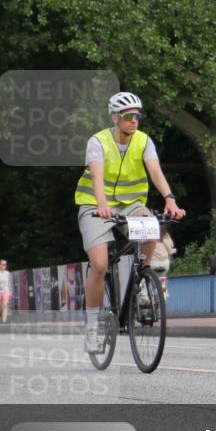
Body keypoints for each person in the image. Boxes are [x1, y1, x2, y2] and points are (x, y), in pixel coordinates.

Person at [75, 91, 185, 353]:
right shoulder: (98, 141)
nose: (134, 121)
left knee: (152, 228)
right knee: (100, 265)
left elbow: (155, 171)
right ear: (115, 118)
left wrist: (170, 199)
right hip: (94, 205)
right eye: (128, 116)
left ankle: (142, 279)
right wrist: (102, 204)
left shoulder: (143, 141)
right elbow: (97, 176)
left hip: (131, 204)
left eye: (137, 116)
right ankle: (92, 327)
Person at [149, 230, 177, 301]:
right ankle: (163, 293)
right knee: (161, 277)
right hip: (164, 263)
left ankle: (147, 300)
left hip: (153, 263)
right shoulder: (165, 236)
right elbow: (170, 249)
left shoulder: (148, 234)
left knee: (147, 279)